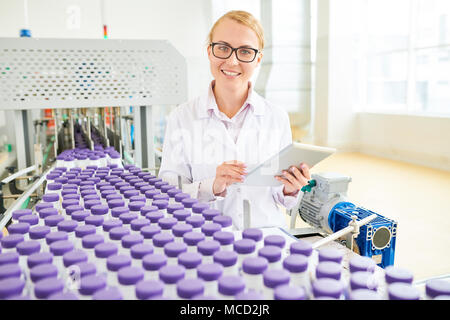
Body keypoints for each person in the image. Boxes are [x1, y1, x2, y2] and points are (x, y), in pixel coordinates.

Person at [158, 10, 311, 230]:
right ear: (209, 51)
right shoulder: (182, 118)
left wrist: (291, 188)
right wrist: (213, 185)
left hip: (265, 240)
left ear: (258, 58)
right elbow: (168, 192)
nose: (232, 60)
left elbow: (280, 197)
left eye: (245, 51)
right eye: (223, 48)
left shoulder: (276, 117)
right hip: (204, 239)